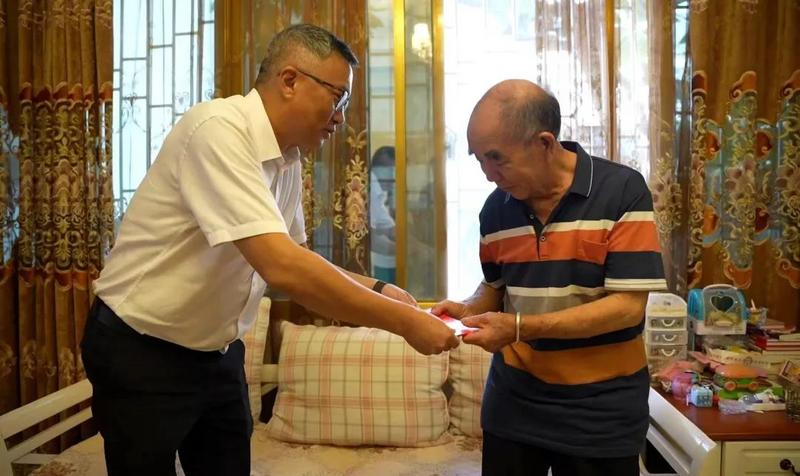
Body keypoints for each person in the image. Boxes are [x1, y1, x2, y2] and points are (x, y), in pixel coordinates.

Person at [81, 24, 459, 476]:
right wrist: (403, 323)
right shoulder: (217, 130)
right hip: (142, 347)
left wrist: (381, 289)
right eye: (337, 98)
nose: (340, 118)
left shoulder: (287, 159)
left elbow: (298, 255)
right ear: (290, 80)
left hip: (218, 352)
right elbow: (283, 269)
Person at [432, 80, 666, 476]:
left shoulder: (622, 191)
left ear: (544, 143)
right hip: (513, 407)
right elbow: (495, 287)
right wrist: (467, 310)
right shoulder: (495, 210)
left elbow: (627, 308)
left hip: (600, 413)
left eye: (496, 158)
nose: (488, 175)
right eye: (479, 160)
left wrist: (520, 327)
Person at [369, 146, 397, 283]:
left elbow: (389, 228)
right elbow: (371, 239)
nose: (394, 177)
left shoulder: (379, 190)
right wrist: (410, 251)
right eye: (391, 170)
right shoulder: (371, 186)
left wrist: (417, 245)